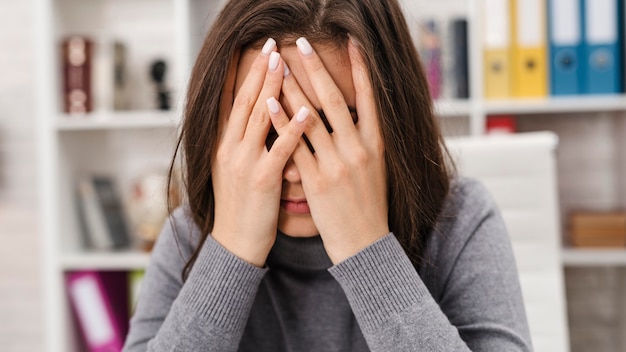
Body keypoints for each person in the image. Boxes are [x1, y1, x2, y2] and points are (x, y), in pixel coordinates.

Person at [123, 0, 533, 351]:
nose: (295, 171)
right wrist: (231, 249)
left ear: (394, 121)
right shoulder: (191, 233)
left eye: (336, 128)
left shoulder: (461, 219)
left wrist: (365, 247)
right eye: (263, 128)